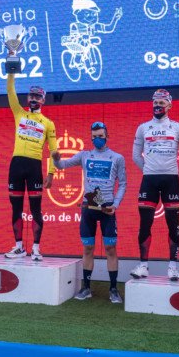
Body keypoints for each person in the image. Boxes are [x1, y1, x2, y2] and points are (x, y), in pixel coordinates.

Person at [130, 89, 179, 280]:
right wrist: (149, 170)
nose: (157, 106)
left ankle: (173, 267)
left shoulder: (177, 127)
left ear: (169, 105)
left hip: (171, 180)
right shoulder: (143, 128)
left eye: (161, 103)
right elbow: (135, 155)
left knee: (173, 223)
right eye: (155, 103)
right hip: (149, 180)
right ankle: (143, 266)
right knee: (145, 224)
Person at [53, 121, 127, 303]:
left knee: (110, 248)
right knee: (88, 248)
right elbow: (62, 165)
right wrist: (55, 158)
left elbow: (123, 183)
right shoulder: (85, 155)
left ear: (107, 136)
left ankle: (113, 289)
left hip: (107, 209)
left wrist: (115, 205)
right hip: (88, 209)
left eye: (101, 136)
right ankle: (86, 288)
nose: (97, 140)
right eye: (94, 137)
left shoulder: (117, 158)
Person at [4, 68, 57, 261]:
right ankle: (19, 247)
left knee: (36, 209)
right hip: (16, 164)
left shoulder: (48, 123)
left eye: (38, 96)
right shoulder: (19, 113)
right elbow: (10, 90)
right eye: (31, 96)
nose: (34, 99)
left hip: (35, 167)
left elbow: (54, 150)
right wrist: (11, 71)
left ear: (43, 100)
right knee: (15, 208)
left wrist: (51, 173)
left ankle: (36, 248)